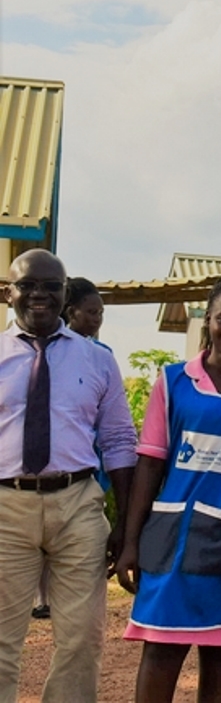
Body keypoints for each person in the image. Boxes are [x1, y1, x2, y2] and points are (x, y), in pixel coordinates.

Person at [116, 270, 221, 703]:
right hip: (171, 542)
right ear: (207, 319)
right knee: (162, 649)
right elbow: (149, 466)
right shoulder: (173, 383)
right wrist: (130, 542)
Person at [0, 249, 137, 703]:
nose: (39, 294)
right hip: (7, 508)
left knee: (81, 639)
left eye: (50, 286)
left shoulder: (96, 360)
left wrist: (125, 525)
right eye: (28, 285)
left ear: (64, 294)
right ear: (9, 293)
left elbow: (119, 440)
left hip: (78, 503)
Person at [28, 277, 112, 623]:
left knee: (75, 548)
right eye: (91, 312)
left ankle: (57, 600)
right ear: (71, 311)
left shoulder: (100, 358)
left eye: (101, 313)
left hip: (84, 473)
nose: (97, 319)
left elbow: (115, 429)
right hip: (25, 486)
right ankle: (40, 597)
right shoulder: (21, 352)